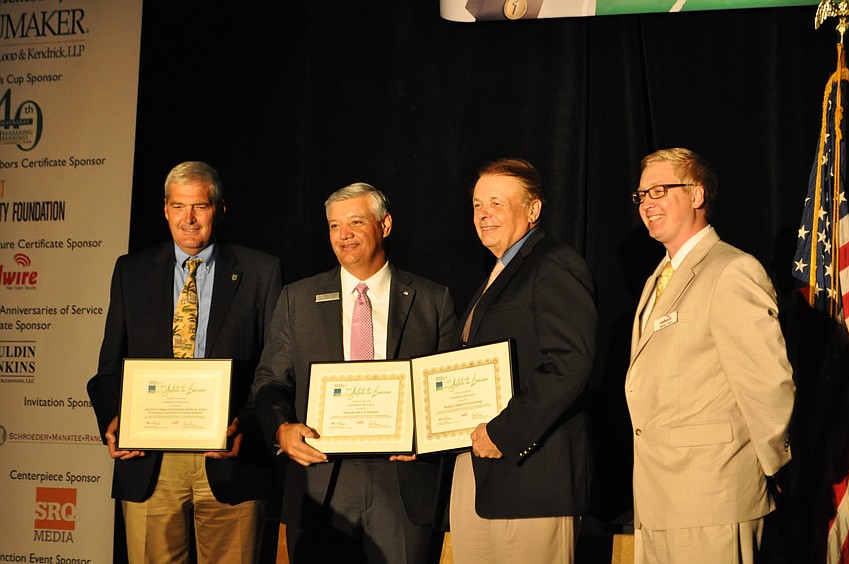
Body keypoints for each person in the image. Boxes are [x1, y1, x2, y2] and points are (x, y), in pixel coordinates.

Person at [251, 182, 458, 564]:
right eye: (334, 225)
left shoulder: (432, 300)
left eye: (356, 222)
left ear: (385, 225)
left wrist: (427, 438)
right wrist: (281, 430)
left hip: (402, 487)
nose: (343, 234)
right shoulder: (297, 299)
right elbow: (271, 380)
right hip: (321, 483)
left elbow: (448, 391)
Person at [86, 161, 283, 563]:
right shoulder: (131, 271)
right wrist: (113, 419)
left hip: (229, 457)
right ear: (165, 209)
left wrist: (246, 426)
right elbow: (109, 366)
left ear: (220, 210)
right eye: (178, 206)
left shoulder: (261, 271)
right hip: (150, 462)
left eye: (200, 206)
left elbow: (275, 367)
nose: (188, 219)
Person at [626, 148, 795, 563]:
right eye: (642, 195)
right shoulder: (655, 280)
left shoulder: (732, 270)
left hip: (713, 497)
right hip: (657, 500)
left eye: (659, 190)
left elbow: (768, 384)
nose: (647, 203)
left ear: (697, 194)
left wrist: (774, 467)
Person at [450, 158, 597, 563]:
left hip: (532, 477)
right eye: (478, 205)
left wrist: (505, 432)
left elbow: (569, 363)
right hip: (478, 474)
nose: (484, 214)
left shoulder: (553, 263)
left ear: (533, 210)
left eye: (496, 203)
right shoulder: (496, 274)